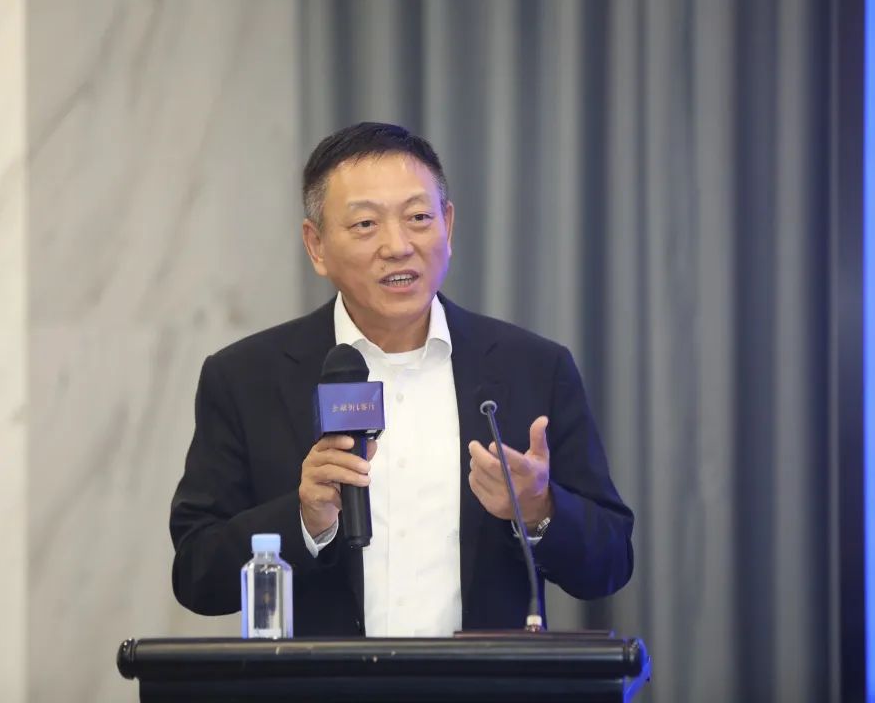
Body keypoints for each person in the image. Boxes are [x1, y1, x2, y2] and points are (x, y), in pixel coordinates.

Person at [170, 122, 634, 637]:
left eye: (418, 218)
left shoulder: (533, 368)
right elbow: (196, 573)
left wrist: (539, 510)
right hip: (322, 680)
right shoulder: (246, 378)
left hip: (485, 678)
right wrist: (304, 519)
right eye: (365, 224)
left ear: (447, 226)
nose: (397, 246)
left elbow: (611, 563)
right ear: (316, 246)